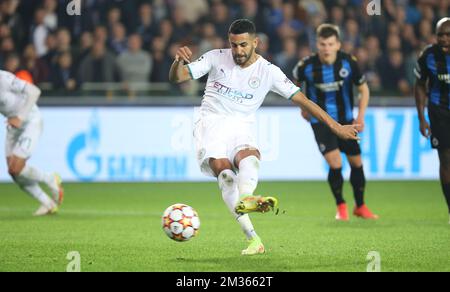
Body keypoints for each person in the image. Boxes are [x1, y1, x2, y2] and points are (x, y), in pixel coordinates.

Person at [169, 19, 359, 255]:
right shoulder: (215, 57)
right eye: (234, 45)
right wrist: (178, 61)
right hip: (211, 123)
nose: (237, 51)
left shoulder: (269, 72)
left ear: (255, 43)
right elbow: (178, 77)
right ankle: (253, 239)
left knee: (249, 158)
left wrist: (336, 126)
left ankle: (247, 197)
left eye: (243, 45)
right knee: (225, 173)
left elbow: (305, 101)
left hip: (241, 125)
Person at [293, 24, 378, 221]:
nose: (326, 48)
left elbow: (364, 89)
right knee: (335, 162)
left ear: (338, 45)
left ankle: (361, 206)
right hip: (320, 121)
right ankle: (341, 206)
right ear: (317, 44)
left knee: (356, 162)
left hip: (346, 120)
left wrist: (361, 116)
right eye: (322, 44)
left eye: (330, 44)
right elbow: (294, 86)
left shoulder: (348, 63)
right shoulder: (305, 66)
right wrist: (303, 107)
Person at [0, 69, 63, 216]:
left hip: (30, 120)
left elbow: (34, 91)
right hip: (13, 125)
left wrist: (20, 117)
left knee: (16, 167)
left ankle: (50, 178)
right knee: (13, 172)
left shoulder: (4, 79)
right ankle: (48, 204)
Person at [414, 17, 450, 224]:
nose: (444, 39)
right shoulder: (428, 55)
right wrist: (421, 117)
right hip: (439, 113)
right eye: (440, 35)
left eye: (448, 35)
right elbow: (419, 85)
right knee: (445, 159)